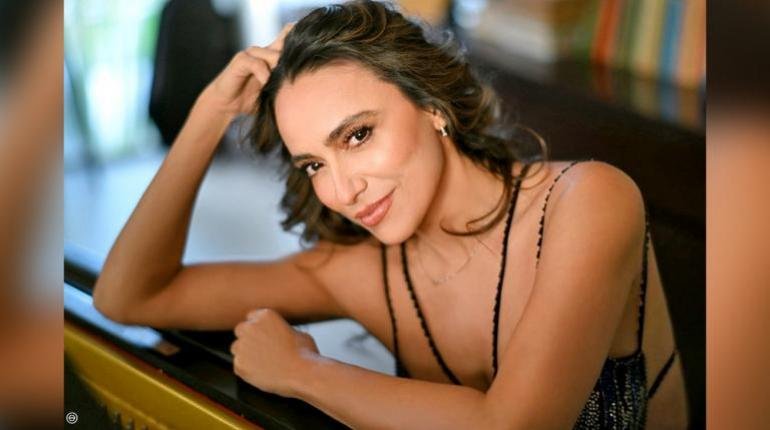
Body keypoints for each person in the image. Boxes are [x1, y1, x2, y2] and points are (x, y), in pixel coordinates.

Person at [93, 1, 687, 428]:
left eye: (357, 135)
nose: (342, 190)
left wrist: (304, 371)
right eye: (313, 164)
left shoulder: (588, 201)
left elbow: (515, 424)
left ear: (432, 105)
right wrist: (210, 114)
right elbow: (127, 297)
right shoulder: (358, 271)